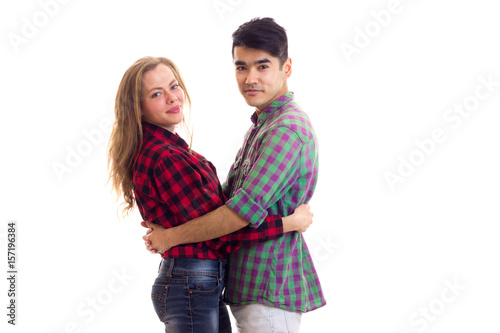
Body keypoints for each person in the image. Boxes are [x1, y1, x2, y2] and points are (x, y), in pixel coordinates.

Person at [144, 17, 326, 332]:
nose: (250, 78)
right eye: (241, 67)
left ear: (287, 67)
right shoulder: (262, 126)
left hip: (269, 292)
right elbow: (223, 201)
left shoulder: (286, 130)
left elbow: (236, 215)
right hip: (248, 289)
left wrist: (170, 237)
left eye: (262, 66)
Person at [107, 56, 313, 333]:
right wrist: (288, 223)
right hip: (192, 279)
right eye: (156, 94)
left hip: (197, 280)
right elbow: (221, 229)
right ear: (138, 108)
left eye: (174, 86)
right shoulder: (165, 156)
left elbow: (219, 217)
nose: (171, 98)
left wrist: (169, 236)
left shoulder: (167, 148)